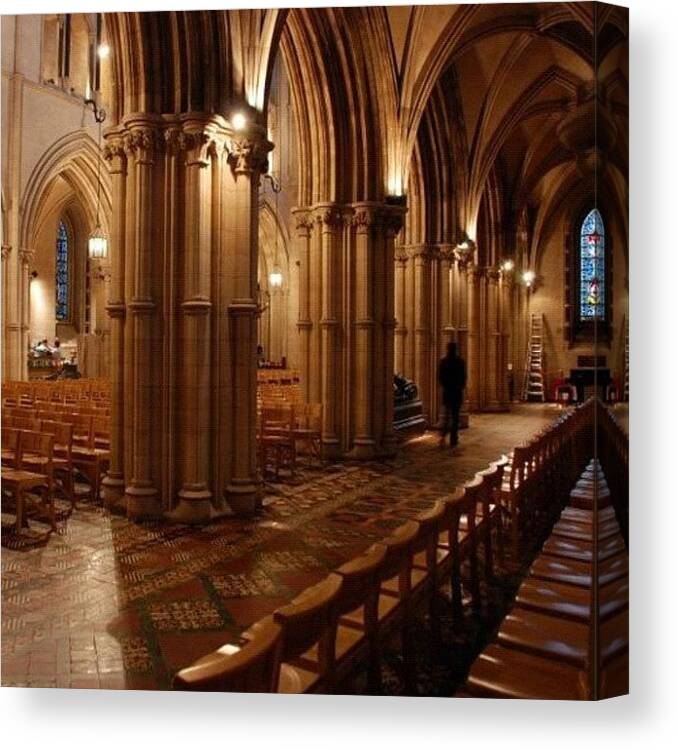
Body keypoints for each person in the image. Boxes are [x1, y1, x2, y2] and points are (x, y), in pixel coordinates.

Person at [438, 342, 466, 449]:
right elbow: (463, 377)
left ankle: (443, 436)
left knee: (446, 416)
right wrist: (460, 386)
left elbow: (440, 377)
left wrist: (445, 385)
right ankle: (453, 439)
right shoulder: (460, 362)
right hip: (456, 392)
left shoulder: (444, 362)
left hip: (448, 391)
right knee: (455, 417)